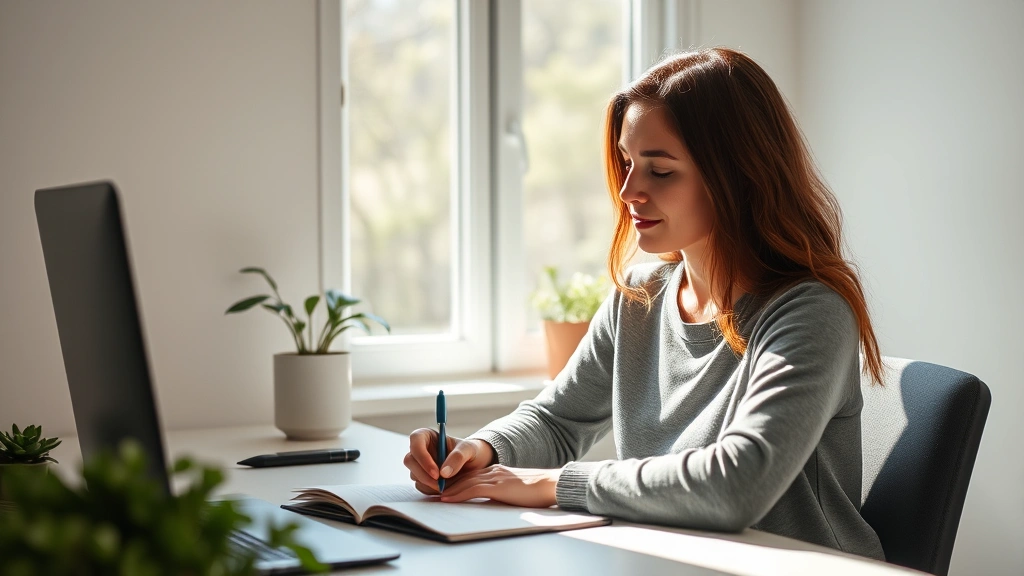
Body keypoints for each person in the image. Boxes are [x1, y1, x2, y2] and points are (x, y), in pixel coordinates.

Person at [403, 47, 886, 560]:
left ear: (738, 178)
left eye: (660, 171)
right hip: (674, 560)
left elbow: (737, 485)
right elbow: (557, 420)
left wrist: (552, 484)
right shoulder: (640, 297)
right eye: (629, 163)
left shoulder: (811, 313)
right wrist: (480, 452)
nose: (630, 190)